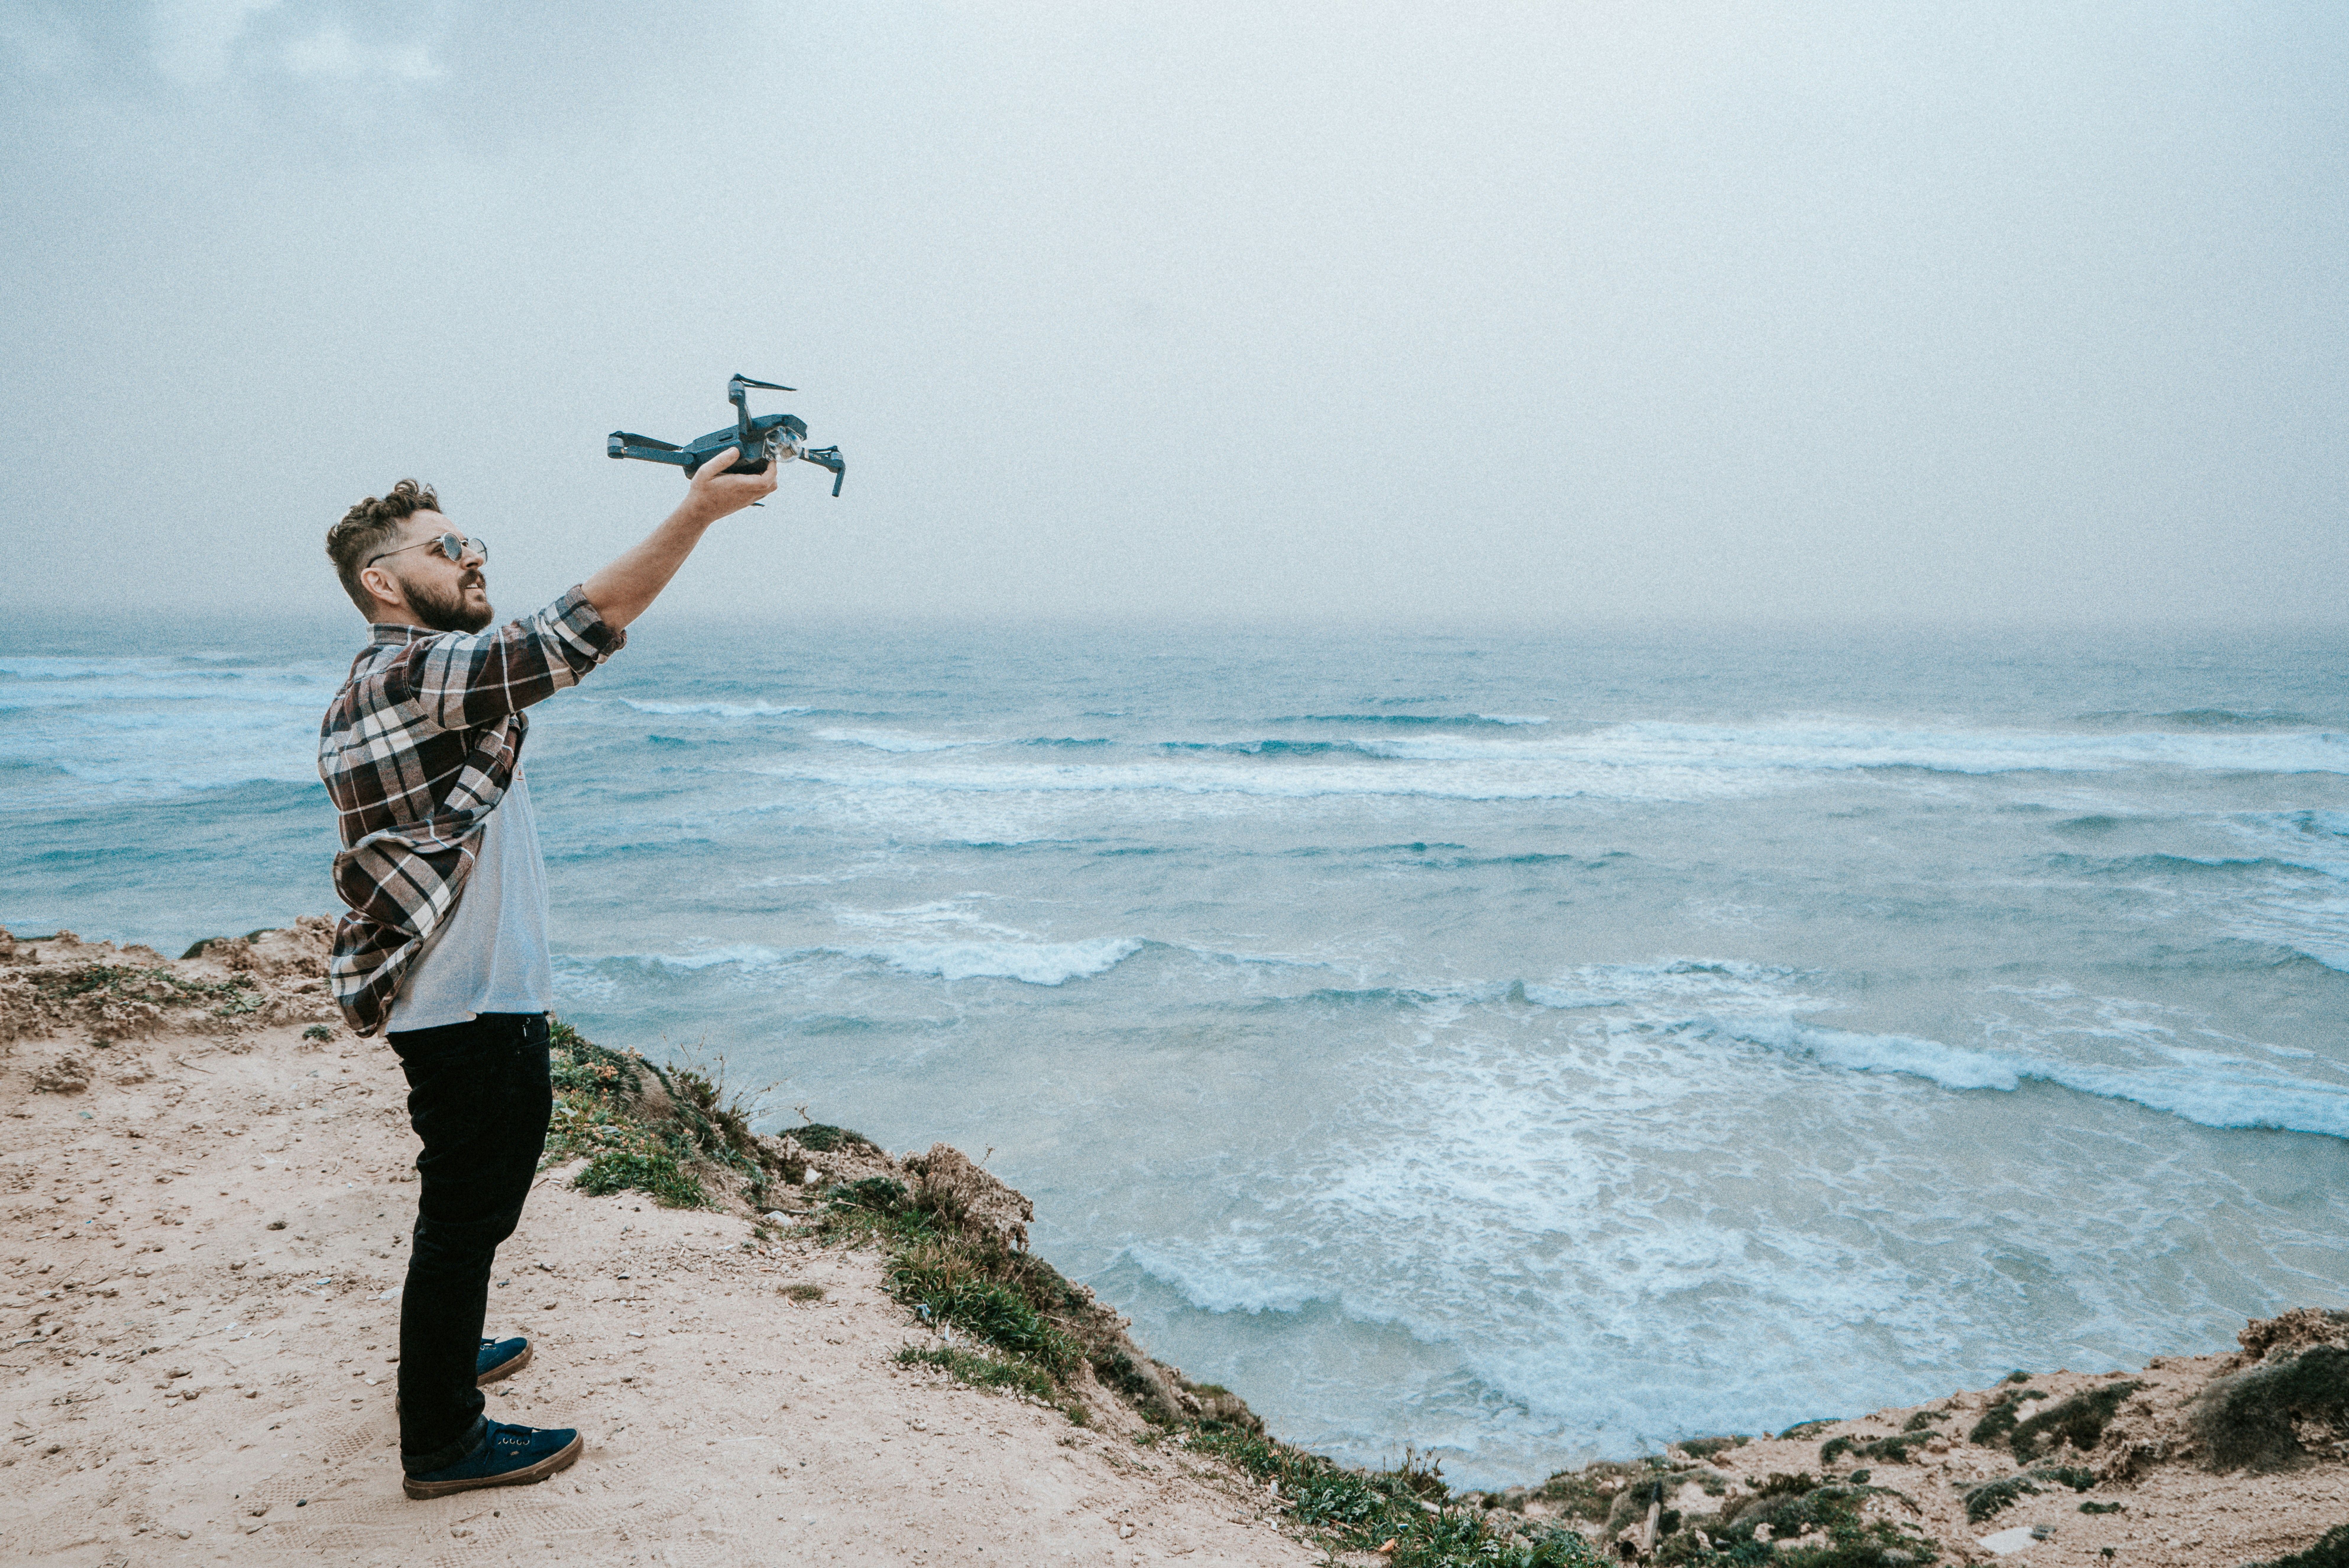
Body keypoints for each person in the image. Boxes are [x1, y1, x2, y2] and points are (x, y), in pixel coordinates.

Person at [317, 451, 777, 1499]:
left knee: (472, 1209)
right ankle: (441, 1439)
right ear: (384, 582)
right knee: (467, 1214)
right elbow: (573, 629)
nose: (473, 557)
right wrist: (697, 511)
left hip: (468, 1001)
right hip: (467, 1007)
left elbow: (537, 656)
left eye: (473, 541)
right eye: (446, 547)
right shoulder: (408, 673)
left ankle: (442, 1358)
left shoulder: (409, 679)